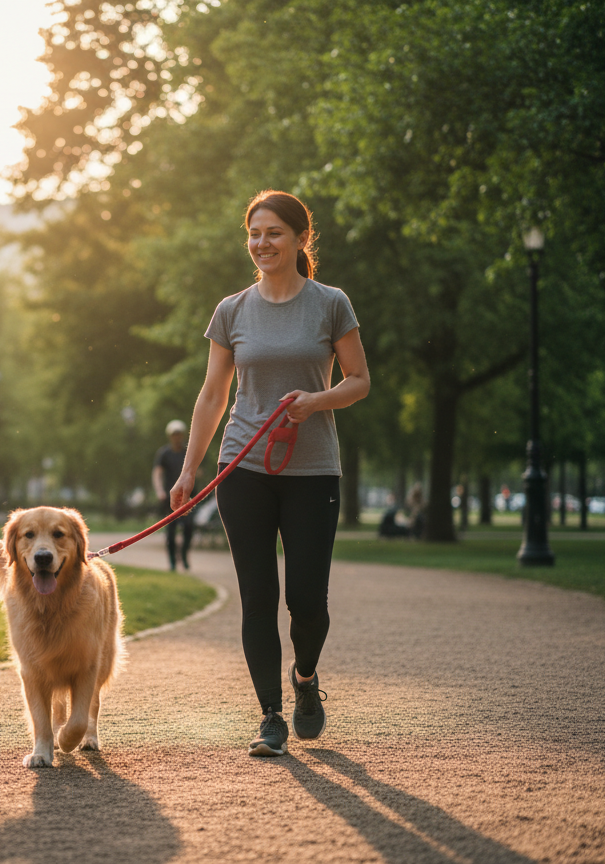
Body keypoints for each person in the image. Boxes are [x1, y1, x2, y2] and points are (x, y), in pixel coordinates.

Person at [169, 190, 370, 758]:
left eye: (275, 233)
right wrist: (190, 471)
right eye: (255, 234)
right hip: (243, 466)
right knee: (259, 595)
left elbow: (359, 379)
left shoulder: (331, 304)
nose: (262, 243)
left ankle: (305, 679)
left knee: (307, 602)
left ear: (302, 238)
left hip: (312, 470)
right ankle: (270, 717)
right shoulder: (231, 310)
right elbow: (212, 395)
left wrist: (318, 400)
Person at [152, 420, 196, 570]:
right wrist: (159, 491)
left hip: (187, 498)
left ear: (182, 435)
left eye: (179, 434)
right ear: (170, 436)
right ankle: (172, 562)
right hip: (169, 499)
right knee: (170, 533)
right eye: (174, 435)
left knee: (189, 527)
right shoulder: (164, 454)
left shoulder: (188, 452)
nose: (176, 437)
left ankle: (184, 555)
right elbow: (157, 473)